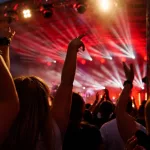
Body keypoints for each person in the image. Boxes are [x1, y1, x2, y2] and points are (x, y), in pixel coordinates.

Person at [0, 23, 86, 150]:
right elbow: (66, 84)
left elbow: (4, 91)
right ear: (45, 100)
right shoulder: (53, 130)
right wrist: (72, 49)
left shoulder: (6, 128)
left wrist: (4, 45)